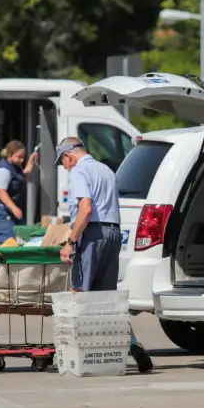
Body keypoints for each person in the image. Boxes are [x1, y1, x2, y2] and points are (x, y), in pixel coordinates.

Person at [55, 136, 153, 374]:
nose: (65, 167)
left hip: (92, 234)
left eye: (63, 162)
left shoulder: (79, 171)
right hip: (113, 233)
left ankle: (74, 354)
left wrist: (70, 241)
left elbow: (86, 208)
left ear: (69, 155)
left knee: (80, 293)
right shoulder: (107, 170)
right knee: (107, 299)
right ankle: (132, 344)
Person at [0, 140, 38, 244]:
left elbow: (24, 175)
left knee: (21, 237)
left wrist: (32, 160)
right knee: (9, 240)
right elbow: (0, 191)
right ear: (9, 155)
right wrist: (14, 209)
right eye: (19, 157)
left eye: (23, 157)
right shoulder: (3, 170)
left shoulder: (15, 166)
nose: (22, 160)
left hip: (9, 209)